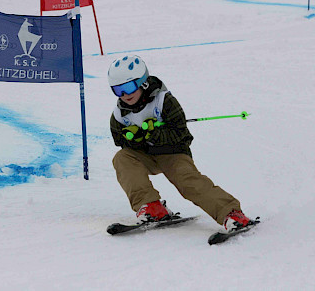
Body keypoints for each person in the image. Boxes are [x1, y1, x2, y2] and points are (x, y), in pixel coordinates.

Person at [108, 55, 252, 232]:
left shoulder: (164, 101)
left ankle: (232, 214)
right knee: (122, 158)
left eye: (128, 87)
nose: (125, 95)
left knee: (188, 183)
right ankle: (152, 208)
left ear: (143, 82)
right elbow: (119, 140)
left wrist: (154, 134)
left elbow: (182, 134)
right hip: (146, 155)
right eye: (118, 90)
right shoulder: (119, 114)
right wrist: (133, 138)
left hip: (173, 153)